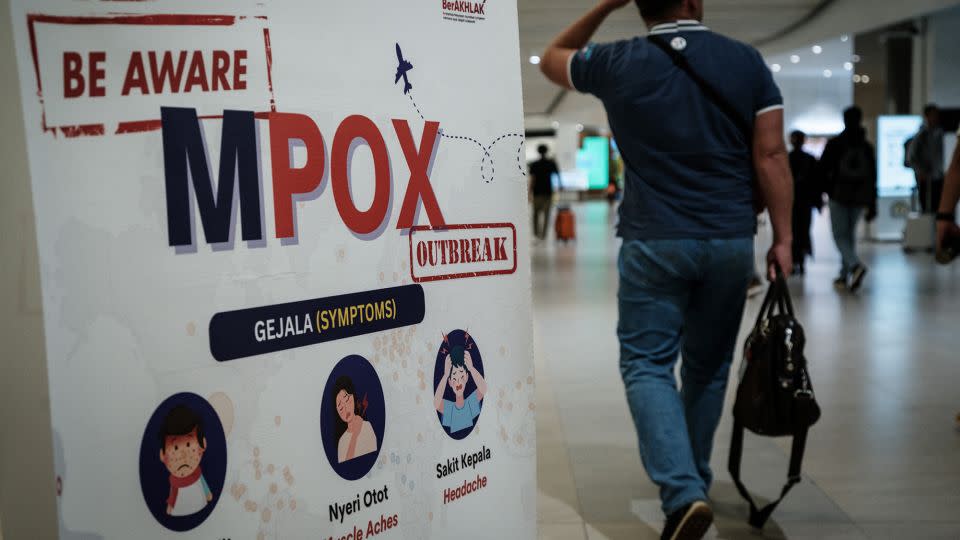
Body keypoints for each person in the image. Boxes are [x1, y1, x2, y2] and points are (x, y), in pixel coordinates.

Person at [539, 1, 794, 538]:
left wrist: (606, 4)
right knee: (708, 367)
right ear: (694, 1)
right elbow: (771, 155)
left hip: (654, 239)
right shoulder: (746, 62)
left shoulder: (616, 60)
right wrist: (786, 238)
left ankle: (683, 493)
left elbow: (550, 58)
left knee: (647, 364)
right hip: (729, 239)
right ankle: (691, 481)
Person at [819, 106, 876, 292]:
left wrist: (824, 191)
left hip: (839, 195)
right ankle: (845, 274)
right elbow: (873, 175)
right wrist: (872, 201)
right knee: (848, 235)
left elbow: (823, 169)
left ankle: (854, 265)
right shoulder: (866, 146)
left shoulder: (835, 144)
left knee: (839, 235)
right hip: (860, 196)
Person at [159, 405, 214, 516]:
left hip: (202, 504)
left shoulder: (197, 472)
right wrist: (170, 507)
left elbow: (203, 484)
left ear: (203, 445)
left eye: (188, 444)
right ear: (163, 456)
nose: (183, 455)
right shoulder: (175, 481)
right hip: (180, 511)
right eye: (175, 447)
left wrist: (208, 494)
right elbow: (173, 495)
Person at [434, 341, 487, 434]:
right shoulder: (449, 409)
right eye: (454, 377)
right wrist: (446, 375)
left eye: (461, 376)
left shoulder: (471, 404)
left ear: (466, 377)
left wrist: (471, 368)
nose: (458, 382)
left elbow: (484, 389)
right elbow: (436, 403)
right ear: (449, 382)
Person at [789, 130, 822, 274]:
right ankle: (799, 260)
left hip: (794, 202)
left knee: (795, 230)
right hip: (803, 202)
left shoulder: (787, 158)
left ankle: (796, 259)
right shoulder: (808, 159)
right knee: (802, 230)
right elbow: (817, 183)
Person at [333, 376, 378, 463]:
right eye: (341, 408)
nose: (345, 409)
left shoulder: (367, 427)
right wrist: (355, 435)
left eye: (347, 400)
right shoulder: (342, 442)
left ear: (353, 396)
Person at [909, 104, 945, 214]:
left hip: (940, 175)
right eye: (933, 115)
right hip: (927, 177)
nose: (935, 117)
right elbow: (912, 157)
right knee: (927, 207)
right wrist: (921, 171)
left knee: (941, 205)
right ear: (927, 116)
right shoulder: (921, 135)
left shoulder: (941, 133)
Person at [529, 144, 561, 240]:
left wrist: (529, 192)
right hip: (548, 192)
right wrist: (560, 186)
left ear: (538, 152)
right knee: (547, 214)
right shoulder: (551, 163)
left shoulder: (534, 164)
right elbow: (558, 175)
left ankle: (536, 234)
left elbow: (532, 179)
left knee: (535, 214)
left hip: (537, 192)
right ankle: (543, 235)